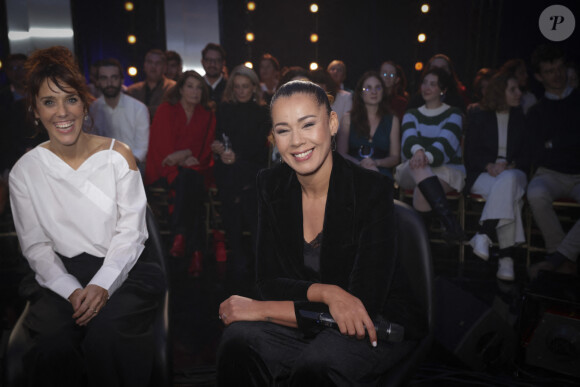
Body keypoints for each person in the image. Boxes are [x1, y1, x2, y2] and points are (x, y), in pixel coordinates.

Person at [217, 81, 423, 386]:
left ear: (332, 123)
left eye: (308, 124)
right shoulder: (270, 185)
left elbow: (362, 301)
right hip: (311, 320)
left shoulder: (370, 189)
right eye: (284, 130)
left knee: (317, 366)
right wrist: (328, 292)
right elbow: (268, 282)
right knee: (237, 342)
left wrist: (261, 311)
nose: (297, 141)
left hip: (376, 322)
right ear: (273, 139)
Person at [8, 46, 163, 387]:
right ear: (35, 109)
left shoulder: (118, 156)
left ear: (84, 102)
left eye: (70, 99)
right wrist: (69, 288)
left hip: (125, 268)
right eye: (49, 101)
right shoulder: (25, 172)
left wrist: (102, 284)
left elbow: (131, 234)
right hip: (58, 274)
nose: (62, 112)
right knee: (53, 344)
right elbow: (36, 247)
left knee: (107, 337)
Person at [145, 70, 216, 277]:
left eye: (199, 87)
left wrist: (185, 157)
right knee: (191, 182)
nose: (194, 92)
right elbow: (161, 147)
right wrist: (184, 155)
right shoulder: (167, 109)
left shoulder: (207, 115)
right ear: (181, 89)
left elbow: (205, 150)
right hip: (165, 168)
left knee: (190, 177)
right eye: (190, 86)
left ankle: (180, 236)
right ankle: (196, 252)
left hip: (197, 168)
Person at [464, 69, 527, 281]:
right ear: (500, 92)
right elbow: (470, 154)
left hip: (513, 173)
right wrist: (488, 165)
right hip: (484, 174)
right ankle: (506, 259)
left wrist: (510, 165)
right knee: (510, 197)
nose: (519, 92)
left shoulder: (521, 117)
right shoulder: (479, 116)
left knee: (508, 181)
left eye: (518, 88)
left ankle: (484, 233)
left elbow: (529, 153)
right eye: (513, 89)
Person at [211, 65, 271, 287]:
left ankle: (243, 253)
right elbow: (220, 138)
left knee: (243, 186)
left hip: (251, 166)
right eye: (237, 87)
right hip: (229, 166)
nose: (241, 91)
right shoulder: (225, 109)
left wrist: (234, 157)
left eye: (245, 86)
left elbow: (259, 149)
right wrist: (218, 148)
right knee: (235, 183)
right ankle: (242, 253)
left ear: (254, 87)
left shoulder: (262, 111)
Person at [526, 45, 580, 279]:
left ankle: (557, 259)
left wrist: (555, 144)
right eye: (549, 71)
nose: (557, 75)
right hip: (549, 174)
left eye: (560, 68)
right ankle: (563, 261)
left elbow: (552, 147)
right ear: (539, 76)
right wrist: (565, 143)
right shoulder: (537, 112)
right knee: (536, 194)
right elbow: (537, 153)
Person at [395, 67, 464, 242]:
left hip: (446, 169)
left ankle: (421, 248)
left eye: (433, 84)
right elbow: (408, 142)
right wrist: (418, 152)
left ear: (443, 89)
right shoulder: (412, 113)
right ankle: (450, 223)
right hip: (411, 169)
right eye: (424, 83)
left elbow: (445, 146)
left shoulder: (454, 114)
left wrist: (423, 157)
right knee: (419, 169)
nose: (426, 87)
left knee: (421, 190)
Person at [90, 58, 149, 172]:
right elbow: (90, 146)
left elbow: (141, 150)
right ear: (98, 82)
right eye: (104, 78)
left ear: (121, 79)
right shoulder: (93, 109)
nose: (109, 83)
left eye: (114, 77)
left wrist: (124, 166)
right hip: (102, 168)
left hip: (133, 166)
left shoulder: (139, 108)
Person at [338, 71, 400, 179]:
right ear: (361, 94)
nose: (373, 91)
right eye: (368, 88)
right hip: (353, 169)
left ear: (383, 92)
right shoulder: (347, 118)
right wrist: (360, 164)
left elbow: (395, 157)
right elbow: (341, 153)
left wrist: (376, 163)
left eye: (378, 88)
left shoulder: (392, 120)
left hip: (381, 170)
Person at [127, 49, 176, 120]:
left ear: (165, 68)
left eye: (158, 63)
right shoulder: (133, 90)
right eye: (150, 62)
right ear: (144, 65)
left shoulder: (172, 88)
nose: (153, 66)